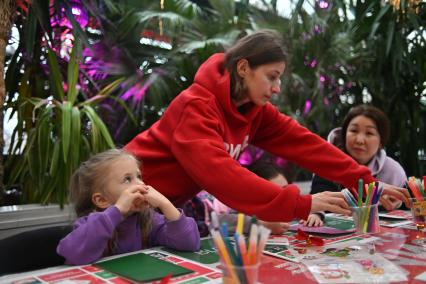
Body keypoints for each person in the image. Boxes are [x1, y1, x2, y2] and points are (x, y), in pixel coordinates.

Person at [124, 30, 410, 223]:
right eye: (272, 77)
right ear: (244, 68)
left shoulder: (256, 112)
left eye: (279, 78)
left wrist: (367, 182)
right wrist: (302, 203)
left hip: (155, 210)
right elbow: (224, 178)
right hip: (117, 201)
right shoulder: (195, 106)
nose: (277, 88)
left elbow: (306, 144)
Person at [57, 149, 200, 265]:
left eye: (139, 176)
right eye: (127, 179)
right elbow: (74, 254)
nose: (141, 185)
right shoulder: (89, 225)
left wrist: (166, 204)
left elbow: (189, 243)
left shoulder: (149, 220)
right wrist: (117, 211)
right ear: (101, 200)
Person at [310, 104, 407, 210]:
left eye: (369, 133)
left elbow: (407, 206)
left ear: (381, 142)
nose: (359, 140)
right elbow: (318, 205)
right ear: (344, 135)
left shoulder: (393, 171)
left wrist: (397, 203)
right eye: (354, 131)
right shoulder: (328, 163)